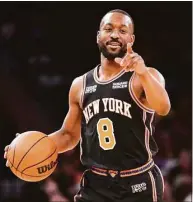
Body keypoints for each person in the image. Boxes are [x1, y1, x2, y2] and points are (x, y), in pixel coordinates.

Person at [4, 9, 171, 202]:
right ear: (99, 36)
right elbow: (68, 135)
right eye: (108, 29)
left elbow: (163, 107)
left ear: (131, 39)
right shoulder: (80, 85)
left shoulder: (145, 76)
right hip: (96, 183)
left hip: (137, 180)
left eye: (122, 30)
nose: (115, 34)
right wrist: (25, 148)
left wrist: (142, 72)